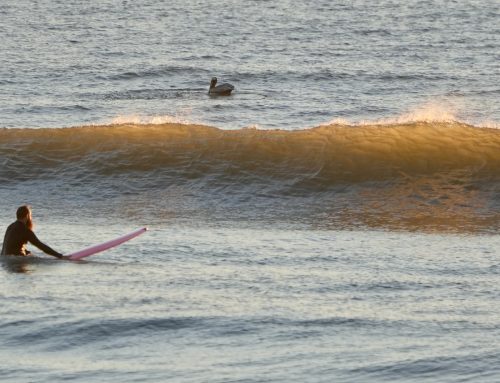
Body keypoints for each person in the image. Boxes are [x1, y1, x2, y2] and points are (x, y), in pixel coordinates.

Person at [1, 205, 66, 259]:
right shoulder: (25, 230)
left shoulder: (10, 226)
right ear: (27, 216)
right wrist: (60, 256)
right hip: (15, 260)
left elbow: (13, 245)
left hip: (5, 259)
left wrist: (26, 252)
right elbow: (40, 245)